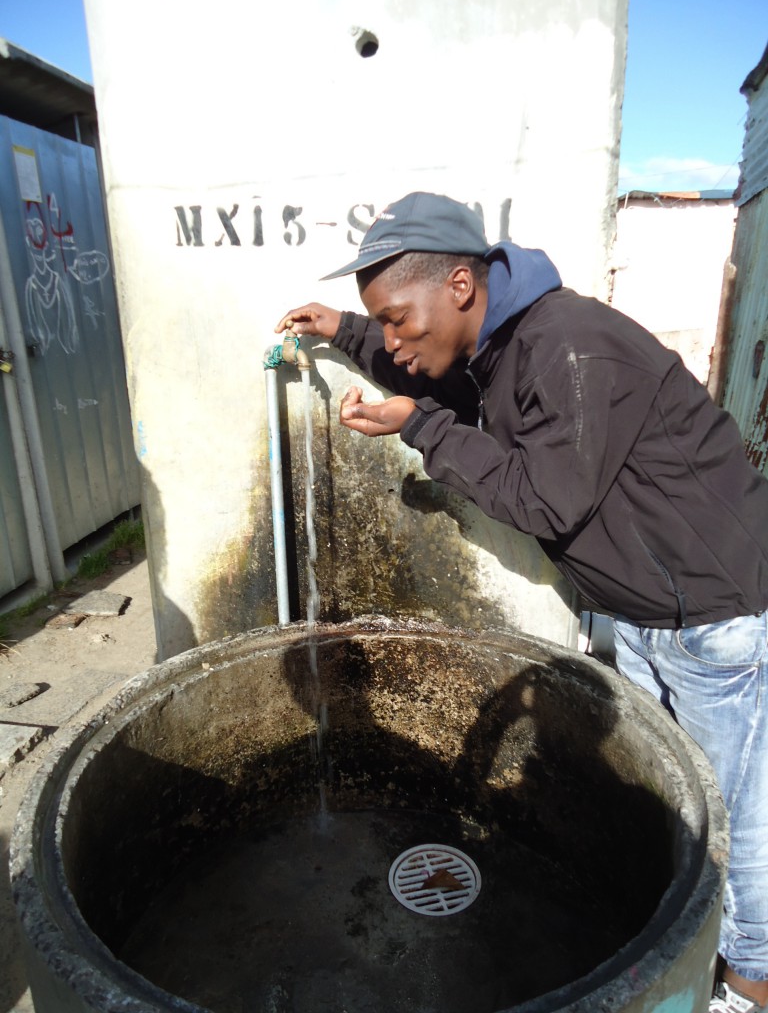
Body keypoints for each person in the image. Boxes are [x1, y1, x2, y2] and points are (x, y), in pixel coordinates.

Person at [275, 191, 768, 1011]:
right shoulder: (497, 346)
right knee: (673, 802)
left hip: (717, 615)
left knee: (742, 817)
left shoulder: (567, 345)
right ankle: (684, 944)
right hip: (650, 613)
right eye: (382, 325)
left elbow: (546, 499)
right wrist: (345, 330)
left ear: (461, 285)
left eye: (396, 317)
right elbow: (426, 372)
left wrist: (418, 429)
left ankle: (748, 985)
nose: (394, 339)